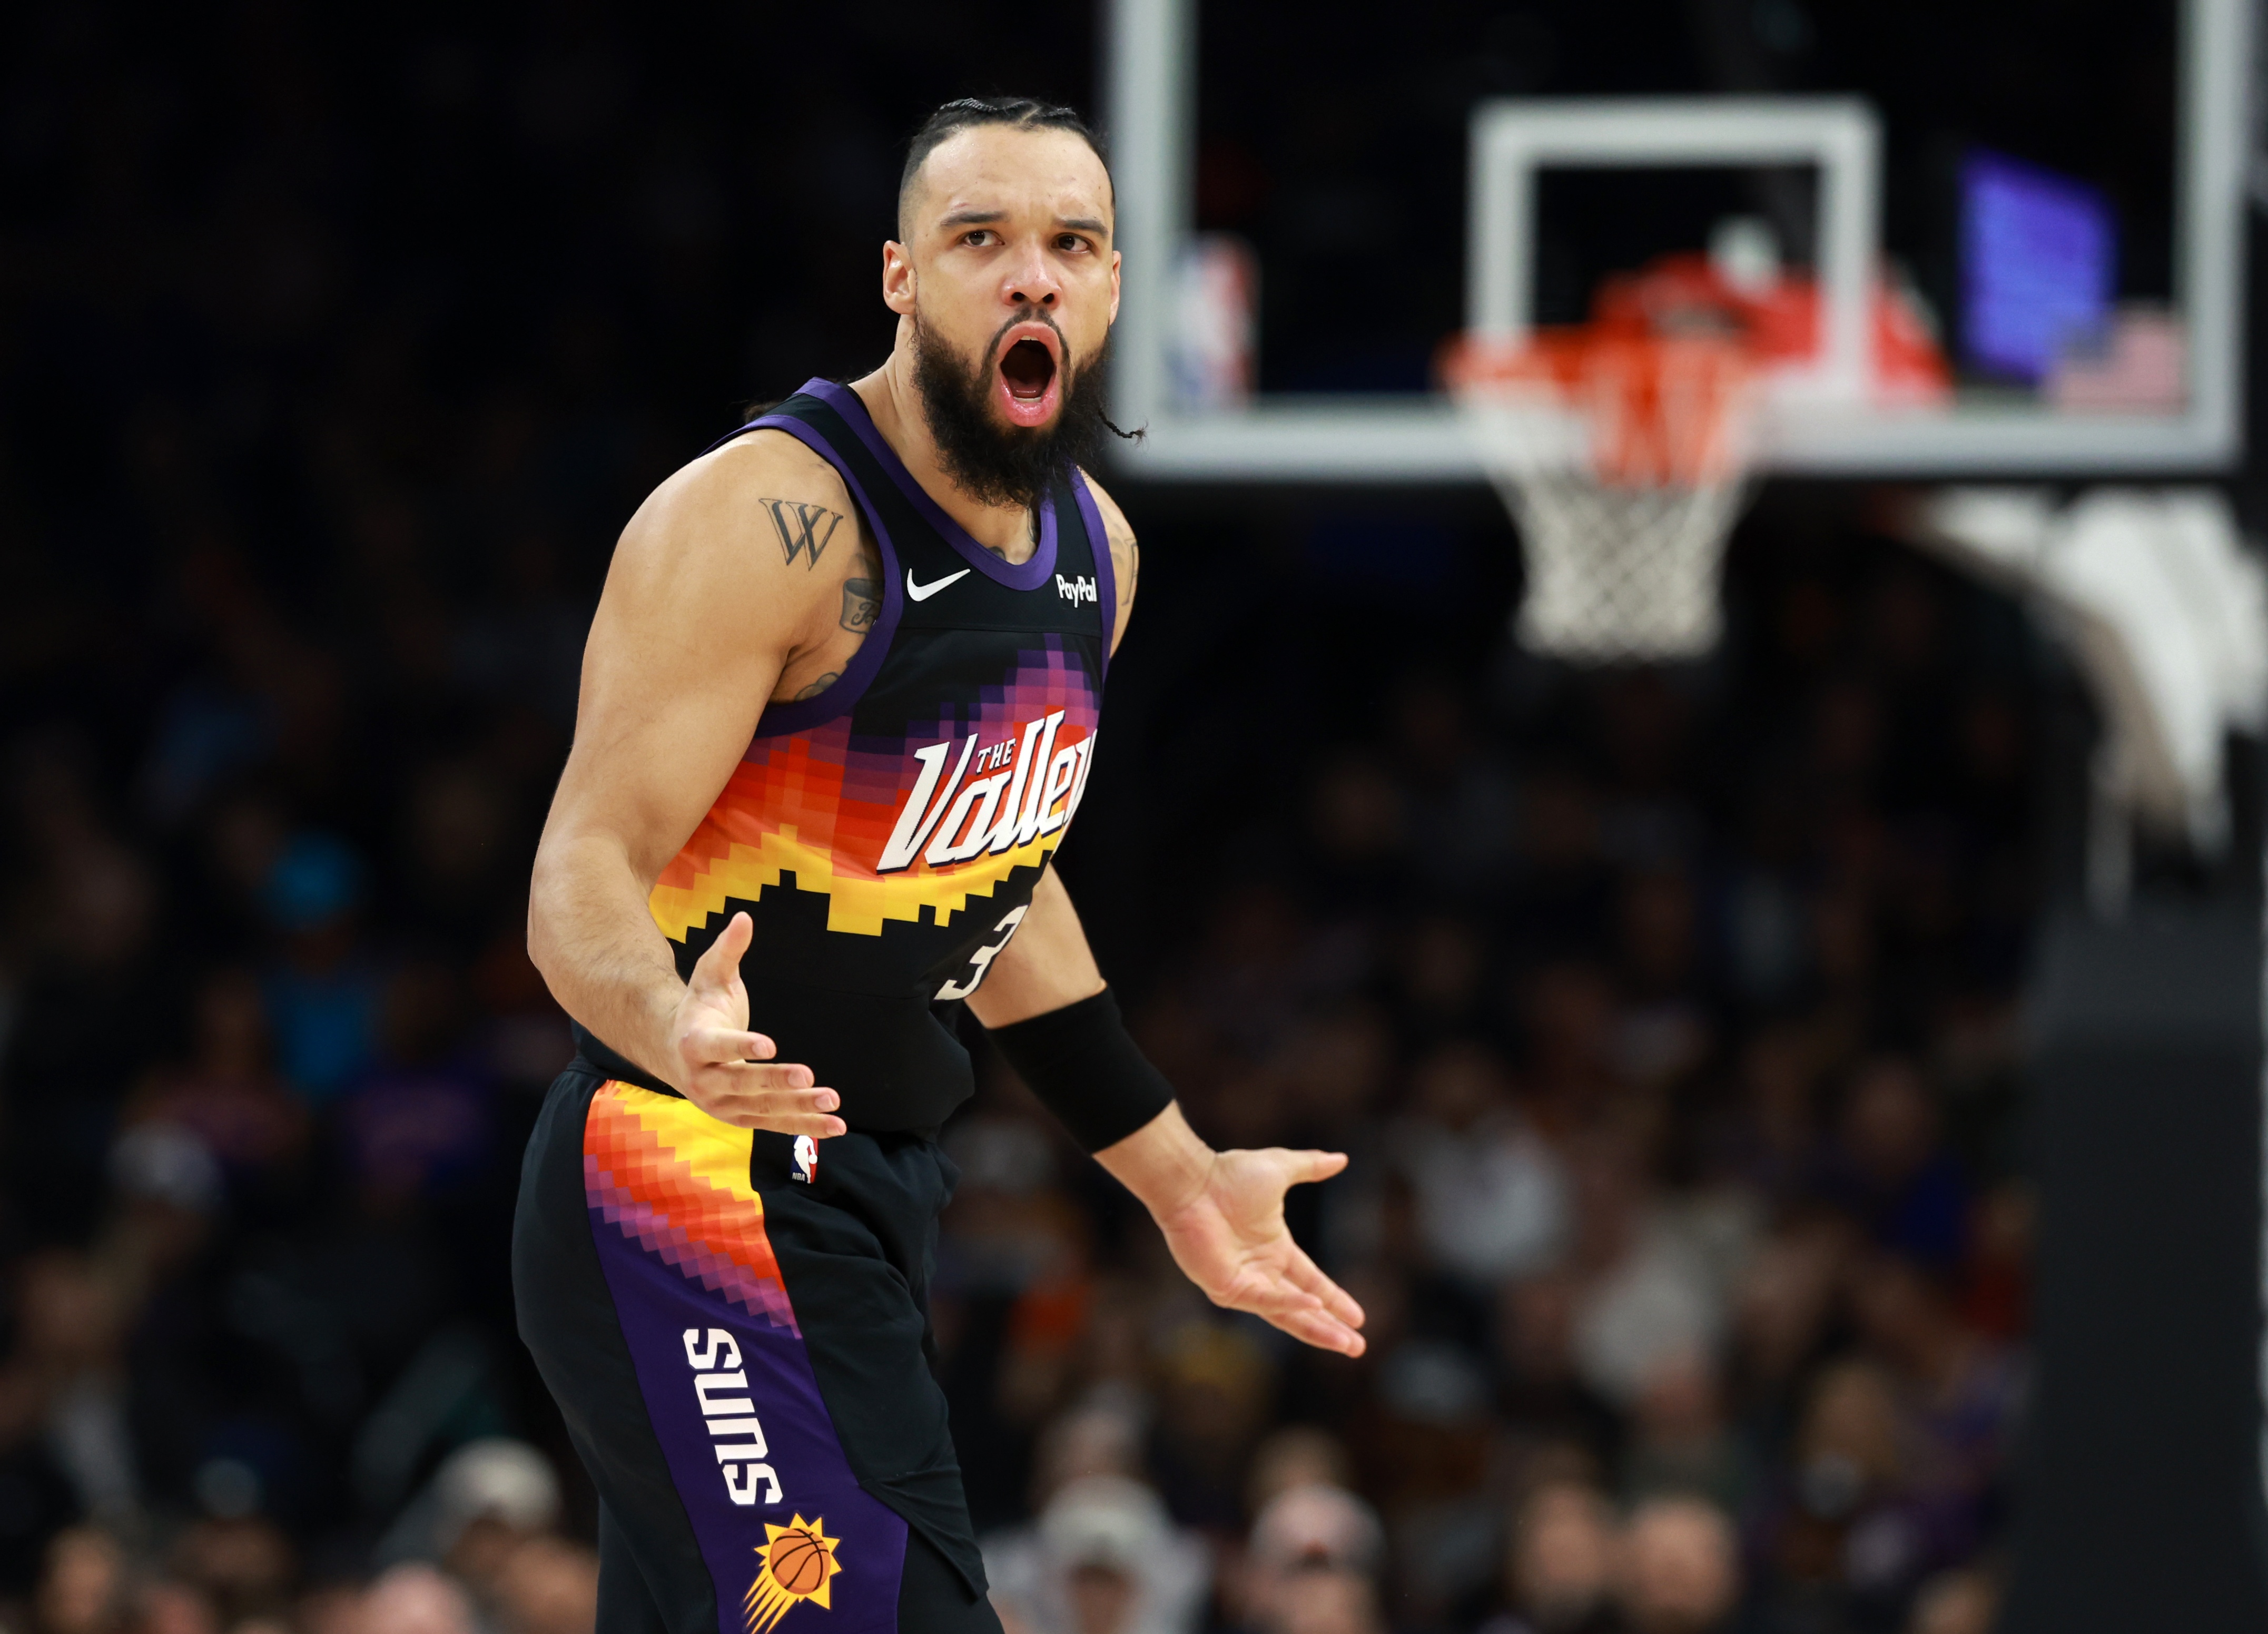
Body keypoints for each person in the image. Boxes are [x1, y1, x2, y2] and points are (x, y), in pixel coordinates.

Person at [515, 96, 1366, 1634]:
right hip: (682, 1176)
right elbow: (583, 863)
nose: (1032, 274)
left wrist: (1179, 1181)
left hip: (869, 1194)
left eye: (1072, 245)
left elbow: (995, 884)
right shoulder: (768, 520)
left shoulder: (1097, 552)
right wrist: (671, 1026)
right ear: (901, 276)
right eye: (982, 238)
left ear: (1112, 289)